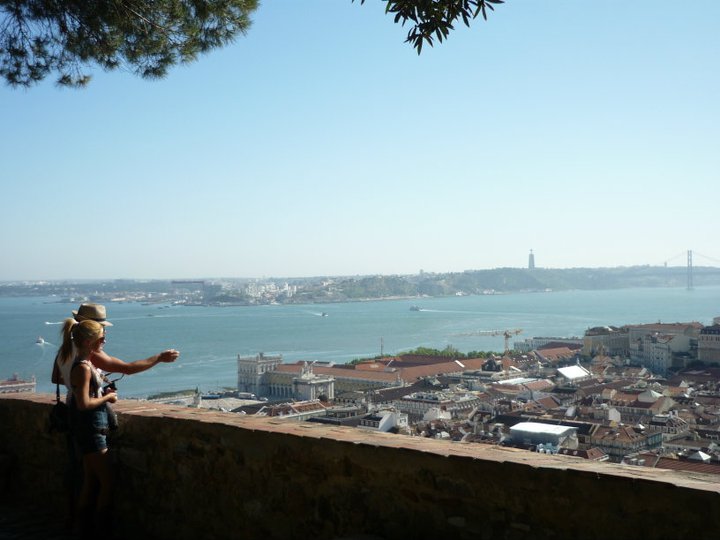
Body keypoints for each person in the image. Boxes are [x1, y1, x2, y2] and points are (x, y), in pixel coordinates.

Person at [51, 304, 179, 537]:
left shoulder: (64, 349)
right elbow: (128, 369)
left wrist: (87, 382)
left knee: (89, 479)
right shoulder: (90, 357)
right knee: (106, 482)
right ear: (91, 333)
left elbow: (56, 378)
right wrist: (159, 357)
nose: (104, 337)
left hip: (73, 416)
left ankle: (80, 527)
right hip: (89, 421)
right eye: (101, 330)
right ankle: (99, 530)